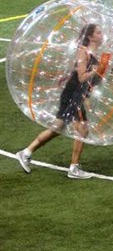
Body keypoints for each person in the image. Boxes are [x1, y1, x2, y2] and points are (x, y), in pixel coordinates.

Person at [16, 24, 106, 179]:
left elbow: (81, 74)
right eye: (98, 32)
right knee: (82, 129)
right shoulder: (83, 51)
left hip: (73, 93)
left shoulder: (91, 53)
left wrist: (99, 72)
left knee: (58, 127)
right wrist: (95, 71)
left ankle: (26, 153)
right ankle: (74, 168)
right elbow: (82, 78)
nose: (101, 35)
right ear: (90, 36)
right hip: (73, 95)